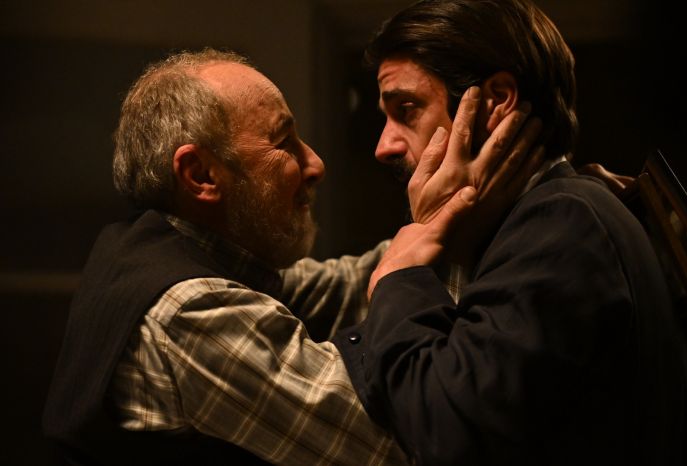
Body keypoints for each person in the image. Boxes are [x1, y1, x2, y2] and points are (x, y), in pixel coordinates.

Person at [42, 48, 542, 465]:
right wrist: (424, 253)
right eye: (283, 143)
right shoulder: (187, 311)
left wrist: (451, 219)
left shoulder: (181, 255)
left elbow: (347, 283)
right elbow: (411, 443)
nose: (315, 163)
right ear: (201, 176)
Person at [332, 1, 687, 465]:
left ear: (496, 100)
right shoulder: (554, 218)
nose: (383, 145)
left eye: (407, 109)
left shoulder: (561, 224)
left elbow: (447, 433)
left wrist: (399, 274)